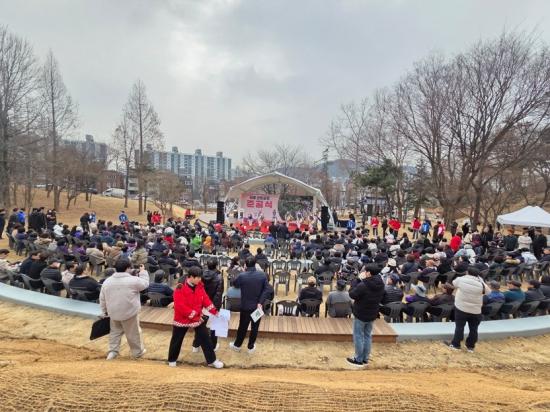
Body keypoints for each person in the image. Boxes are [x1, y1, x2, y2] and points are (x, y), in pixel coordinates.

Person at [167, 266, 224, 369]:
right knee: (177, 339)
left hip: (197, 317)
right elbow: (180, 307)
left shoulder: (200, 286)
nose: (200, 279)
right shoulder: (180, 288)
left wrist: (215, 312)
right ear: (191, 277)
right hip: (182, 318)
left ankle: (212, 360)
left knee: (205, 338)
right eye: (197, 277)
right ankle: (172, 360)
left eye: (200, 277)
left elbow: (205, 300)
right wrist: (196, 316)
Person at [99, 259, 149, 360]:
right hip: (129, 313)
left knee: (115, 333)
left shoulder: (107, 281)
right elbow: (145, 284)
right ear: (128, 268)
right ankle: (137, 352)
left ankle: (112, 351)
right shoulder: (133, 280)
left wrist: (104, 311)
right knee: (133, 334)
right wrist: (143, 272)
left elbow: (102, 298)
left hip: (113, 312)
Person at [229, 256, 270, 354]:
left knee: (242, 327)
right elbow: (267, 290)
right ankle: (250, 347)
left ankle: (237, 345)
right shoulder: (262, 275)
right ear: (255, 264)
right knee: (254, 327)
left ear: (246, 265)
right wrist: (260, 302)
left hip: (245, 307)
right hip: (257, 307)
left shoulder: (242, 276)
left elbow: (234, 284)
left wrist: (242, 272)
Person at [347, 263, 384, 367]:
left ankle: (358, 359)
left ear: (369, 273)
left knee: (358, 336)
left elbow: (352, 294)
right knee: (367, 336)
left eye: (365, 271)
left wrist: (357, 281)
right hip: (372, 312)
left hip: (361, 313)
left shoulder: (364, 284)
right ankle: (365, 358)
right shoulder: (381, 283)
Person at [446, 266, 489, 352]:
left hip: (461, 308)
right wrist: (480, 280)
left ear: (467, 272)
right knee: (474, 329)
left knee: (459, 327)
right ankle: (470, 347)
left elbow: (453, 283)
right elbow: (488, 292)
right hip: (476, 310)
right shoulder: (481, 284)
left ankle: (456, 345)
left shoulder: (461, 279)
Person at [192, 259, 224, 352]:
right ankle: (213, 346)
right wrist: (215, 309)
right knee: (214, 326)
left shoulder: (200, 275)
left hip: (201, 305)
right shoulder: (219, 277)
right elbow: (218, 294)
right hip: (212, 305)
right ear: (216, 265)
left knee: (200, 325)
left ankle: (196, 345)